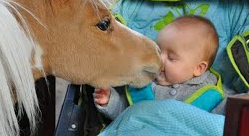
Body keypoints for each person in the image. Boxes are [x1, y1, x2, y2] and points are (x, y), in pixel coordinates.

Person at [94, 15, 226, 120]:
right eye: (158, 51)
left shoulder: (210, 94)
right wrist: (109, 101)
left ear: (199, 68)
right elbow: (126, 116)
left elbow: (220, 124)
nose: (160, 59)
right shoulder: (142, 81)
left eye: (171, 57)